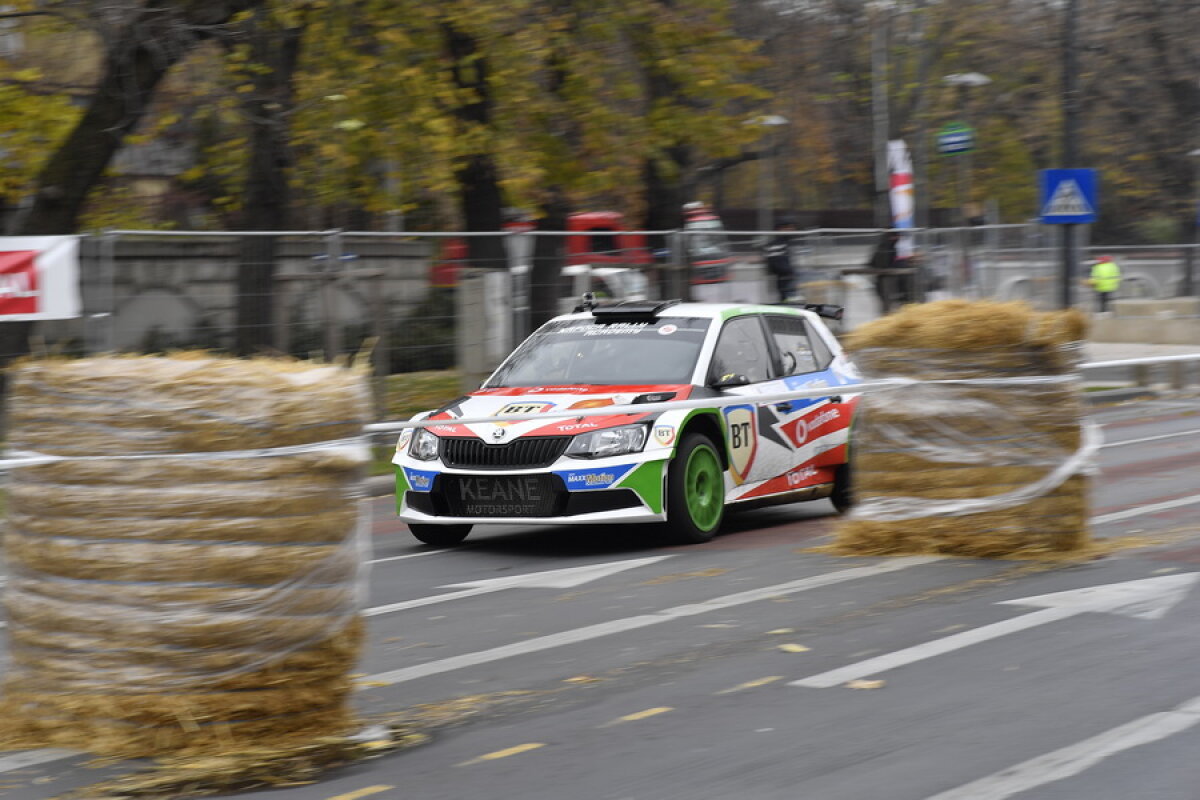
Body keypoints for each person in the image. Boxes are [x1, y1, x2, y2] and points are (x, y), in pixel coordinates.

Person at [764, 219, 798, 302]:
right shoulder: (776, 245)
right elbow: (776, 264)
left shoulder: (787, 243)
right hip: (785, 280)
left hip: (788, 280)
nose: (793, 230)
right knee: (789, 302)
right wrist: (791, 273)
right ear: (780, 229)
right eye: (789, 227)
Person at [868, 230, 901, 313]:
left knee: (886, 303)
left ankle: (887, 315)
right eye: (896, 236)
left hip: (882, 279)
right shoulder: (889, 248)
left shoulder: (881, 247)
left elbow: (871, 263)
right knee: (888, 303)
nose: (898, 238)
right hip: (886, 279)